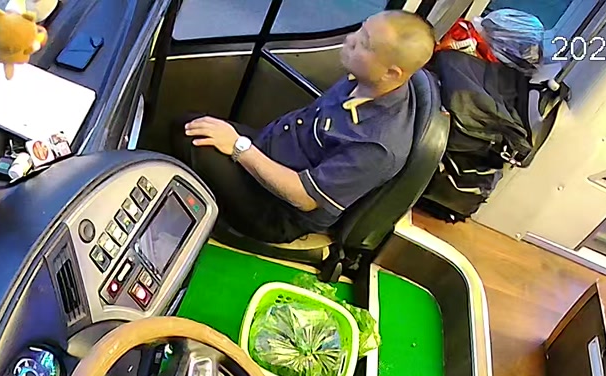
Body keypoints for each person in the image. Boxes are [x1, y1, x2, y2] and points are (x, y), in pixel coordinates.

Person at [170, 10, 436, 245]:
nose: (351, 39)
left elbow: (304, 198)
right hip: (271, 149)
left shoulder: (377, 146)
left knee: (188, 140)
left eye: (364, 44)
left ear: (391, 73)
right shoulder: (368, 79)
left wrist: (239, 147)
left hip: (278, 208)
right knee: (190, 123)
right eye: (360, 29)